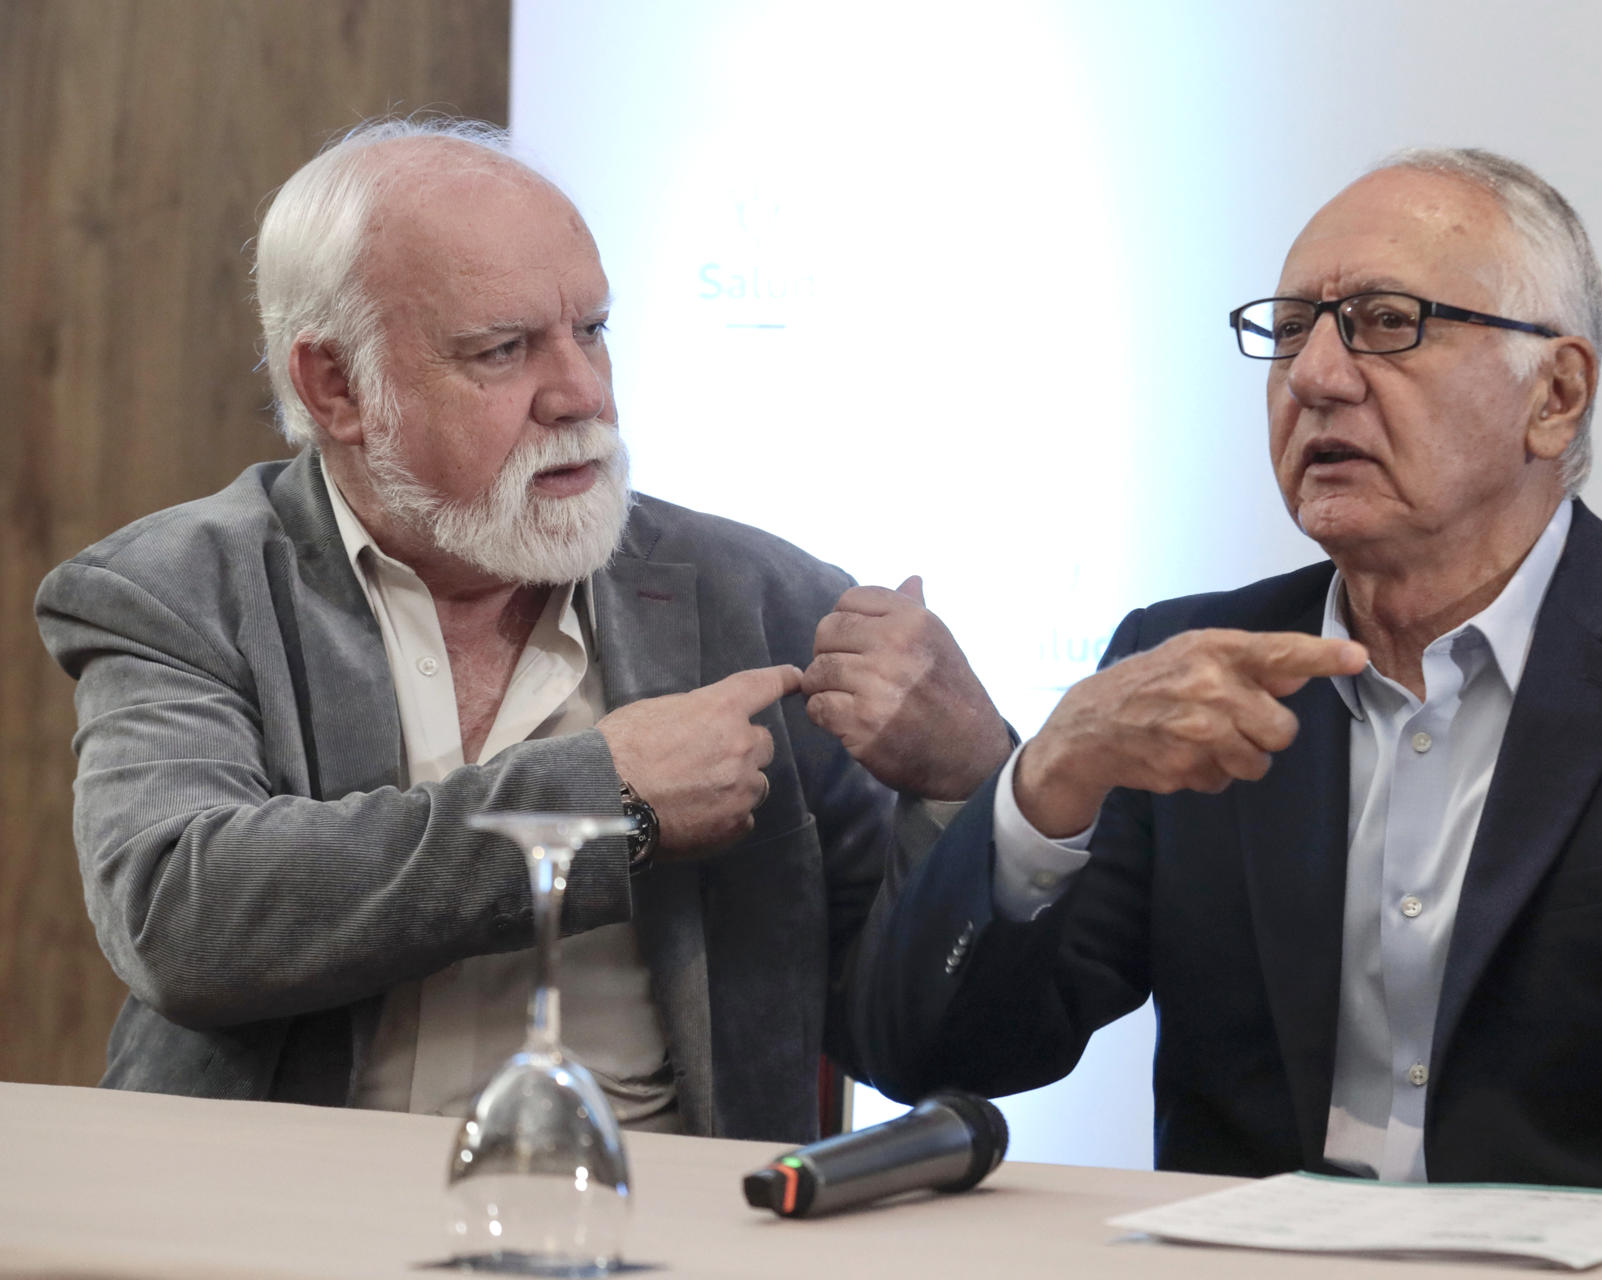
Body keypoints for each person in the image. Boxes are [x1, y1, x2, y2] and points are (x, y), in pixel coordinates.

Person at [841, 148, 1602, 1209]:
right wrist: (1047, 776)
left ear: (1555, 396)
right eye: (1290, 329)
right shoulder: (1190, 665)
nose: (1315, 376)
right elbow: (937, 1057)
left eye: (1388, 322)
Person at [34, 117, 1009, 1141]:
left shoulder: (762, 600)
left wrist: (973, 793)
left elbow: (920, 1039)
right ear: (335, 386)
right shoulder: (176, 587)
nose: (582, 393)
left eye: (592, 330)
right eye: (503, 350)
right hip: (272, 1217)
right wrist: (607, 800)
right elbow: (183, 916)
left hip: (655, 1224)